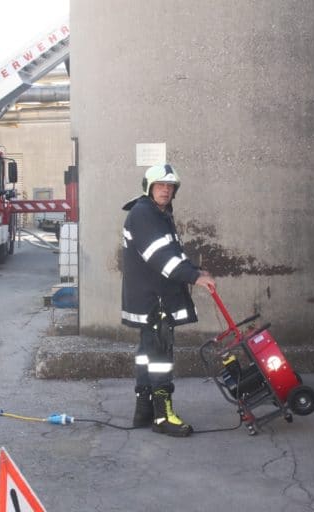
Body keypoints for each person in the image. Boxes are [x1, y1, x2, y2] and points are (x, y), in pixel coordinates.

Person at [121, 164, 215, 437]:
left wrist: (195, 271)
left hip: (150, 299)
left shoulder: (158, 214)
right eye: (160, 185)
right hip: (154, 301)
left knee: (147, 354)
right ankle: (163, 417)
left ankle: (144, 410)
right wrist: (193, 277)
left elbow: (173, 251)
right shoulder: (143, 214)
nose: (166, 190)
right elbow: (160, 256)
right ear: (148, 187)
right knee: (160, 356)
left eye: (170, 186)